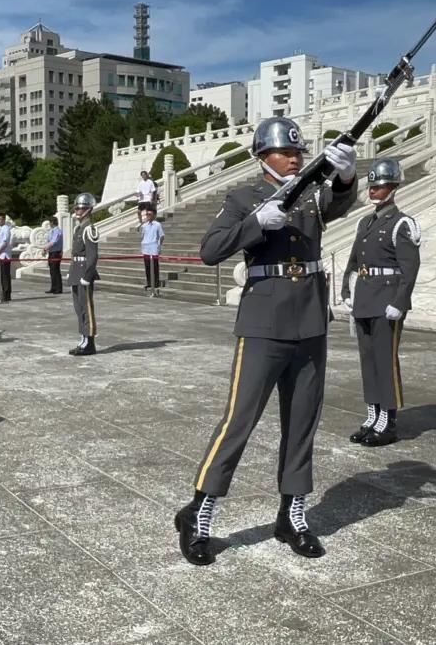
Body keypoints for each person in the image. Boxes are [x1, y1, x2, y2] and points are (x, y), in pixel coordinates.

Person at [175, 117, 359, 566]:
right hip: (262, 324)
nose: (295, 157)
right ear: (263, 157)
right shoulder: (242, 197)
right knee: (239, 421)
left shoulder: (313, 193)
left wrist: (347, 174)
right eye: (285, 152)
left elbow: (339, 203)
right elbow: (209, 250)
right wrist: (257, 223)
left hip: (310, 320)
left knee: (302, 423)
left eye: (298, 151)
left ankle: (292, 514)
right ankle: (200, 511)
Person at [342, 157, 420, 447]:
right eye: (372, 186)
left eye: (381, 186)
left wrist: (400, 301)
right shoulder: (366, 222)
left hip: (387, 300)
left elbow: (410, 268)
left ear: (393, 187)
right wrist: (347, 292)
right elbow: (354, 260)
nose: (374, 190)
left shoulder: (402, 223)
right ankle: (373, 416)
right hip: (365, 297)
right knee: (368, 361)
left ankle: (388, 421)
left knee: (385, 362)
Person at [68, 193, 100, 356]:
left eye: (80, 208)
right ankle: (83, 339)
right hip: (76, 271)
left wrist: (87, 276)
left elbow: (93, 256)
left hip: (84, 274)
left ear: (88, 210)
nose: (77, 211)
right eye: (76, 208)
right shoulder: (79, 228)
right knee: (78, 308)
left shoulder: (89, 229)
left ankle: (90, 342)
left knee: (86, 308)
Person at [140, 208, 164, 297]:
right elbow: (142, 235)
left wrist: (159, 245)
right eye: (147, 214)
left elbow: (162, 236)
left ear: (154, 215)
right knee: (147, 267)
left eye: (150, 214)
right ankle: (149, 282)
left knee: (154, 266)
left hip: (153, 247)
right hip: (146, 248)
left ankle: (156, 283)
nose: (148, 216)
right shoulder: (144, 225)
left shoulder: (157, 225)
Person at [44, 216, 63, 294]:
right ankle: (53, 287)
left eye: (50, 223)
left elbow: (53, 242)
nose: (49, 224)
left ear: (52, 222)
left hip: (56, 253)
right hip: (51, 252)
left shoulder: (57, 231)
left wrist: (45, 248)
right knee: (52, 271)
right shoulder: (51, 231)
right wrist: (47, 249)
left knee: (56, 270)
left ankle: (58, 288)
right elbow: (49, 241)